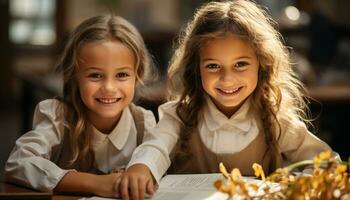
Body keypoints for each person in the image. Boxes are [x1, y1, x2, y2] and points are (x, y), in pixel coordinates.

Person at [118, 0, 340, 199]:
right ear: (196, 69)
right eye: (213, 66)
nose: (227, 79)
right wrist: (141, 166)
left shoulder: (275, 118)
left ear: (262, 65)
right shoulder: (180, 116)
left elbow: (325, 163)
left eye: (240, 64)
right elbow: (156, 146)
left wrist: (298, 185)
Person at [5, 15, 157, 199]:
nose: (109, 88)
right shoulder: (57, 116)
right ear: (75, 76)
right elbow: (19, 162)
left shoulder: (143, 122)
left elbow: (158, 166)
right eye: (95, 75)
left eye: (122, 74)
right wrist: (97, 184)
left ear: (138, 75)